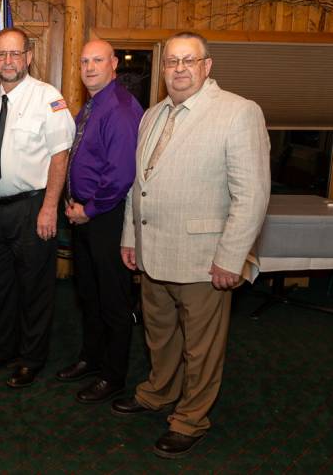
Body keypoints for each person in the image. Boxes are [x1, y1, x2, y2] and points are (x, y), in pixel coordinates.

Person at [114, 31, 271, 458]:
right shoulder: (153, 114)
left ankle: (190, 418)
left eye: (189, 61)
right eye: (171, 62)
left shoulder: (238, 113)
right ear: (163, 68)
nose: (179, 69)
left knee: (201, 347)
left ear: (207, 66)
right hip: (152, 252)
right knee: (159, 335)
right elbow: (138, 185)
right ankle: (158, 392)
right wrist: (131, 237)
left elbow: (252, 195)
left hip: (205, 259)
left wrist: (231, 258)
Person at [0, 28, 75, 388]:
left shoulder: (48, 98)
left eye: (15, 54)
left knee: (34, 288)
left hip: (33, 208)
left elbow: (60, 157)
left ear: (29, 57)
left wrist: (49, 208)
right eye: (1, 55)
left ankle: (31, 358)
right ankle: (3, 348)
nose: (8, 61)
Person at [58, 40, 142, 404]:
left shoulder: (120, 109)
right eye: (84, 61)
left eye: (97, 60)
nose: (89, 67)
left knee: (112, 300)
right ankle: (91, 358)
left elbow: (121, 173)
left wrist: (88, 210)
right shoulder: (91, 107)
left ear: (113, 65)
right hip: (85, 216)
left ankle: (113, 375)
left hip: (106, 217)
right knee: (88, 294)